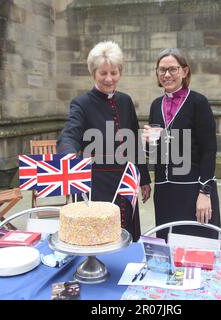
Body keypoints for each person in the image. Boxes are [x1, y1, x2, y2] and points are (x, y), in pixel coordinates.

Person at [57, 41, 151, 241]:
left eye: (114, 72)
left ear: (120, 72)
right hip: (95, 182)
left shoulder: (125, 101)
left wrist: (143, 178)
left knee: (126, 235)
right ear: (93, 73)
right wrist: (68, 154)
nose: (109, 79)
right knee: (98, 237)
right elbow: (70, 133)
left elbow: (133, 139)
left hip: (124, 179)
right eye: (103, 73)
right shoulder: (81, 103)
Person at [143, 48, 221, 240]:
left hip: (193, 189)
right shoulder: (155, 105)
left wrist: (205, 192)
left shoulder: (198, 102)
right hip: (165, 192)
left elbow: (209, 151)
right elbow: (155, 154)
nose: (166, 74)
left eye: (172, 69)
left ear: (184, 72)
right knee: (169, 249)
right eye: (162, 70)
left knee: (198, 248)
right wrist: (147, 144)